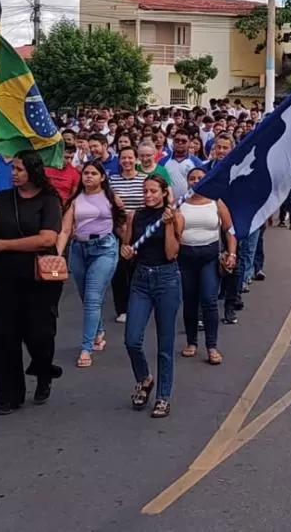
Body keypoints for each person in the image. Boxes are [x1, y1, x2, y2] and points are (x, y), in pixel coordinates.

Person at [0, 150, 64, 415]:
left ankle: (43, 369)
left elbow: (48, 239)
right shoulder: (1, 198)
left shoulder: (48, 201)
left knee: (38, 333)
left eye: (19, 169)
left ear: (33, 172)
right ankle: (7, 395)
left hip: (39, 277)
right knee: (5, 337)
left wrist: (6, 244)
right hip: (6, 277)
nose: (13, 174)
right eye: (12, 169)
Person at [120, 175, 184, 418]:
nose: (148, 195)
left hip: (166, 279)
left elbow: (171, 253)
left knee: (165, 344)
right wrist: (125, 250)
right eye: (145, 191)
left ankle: (163, 397)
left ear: (164, 193)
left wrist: (168, 224)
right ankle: (145, 378)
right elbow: (128, 247)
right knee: (131, 339)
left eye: (153, 191)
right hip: (141, 279)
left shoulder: (176, 217)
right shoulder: (134, 216)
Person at [58, 161, 125, 368]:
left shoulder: (111, 198)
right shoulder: (75, 200)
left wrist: (129, 245)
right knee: (85, 296)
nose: (88, 177)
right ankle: (98, 332)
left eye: (93, 173)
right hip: (79, 249)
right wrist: (58, 254)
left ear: (102, 177)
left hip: (105, 248)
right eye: (85, 173)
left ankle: (86, 348)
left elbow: (122, 224)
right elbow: (66, 230)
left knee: (92, 297)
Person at [179, 167, 237, 365]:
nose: (196, 181)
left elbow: (230, 230)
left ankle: (212, 346)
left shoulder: (216, 202)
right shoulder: (179, 204)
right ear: (187, 182)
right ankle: (191, 342)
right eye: (192, 178)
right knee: (189, 301)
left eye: (200, 178)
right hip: (185, 259)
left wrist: (232, 253)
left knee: (209, 300)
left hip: (209, 259)